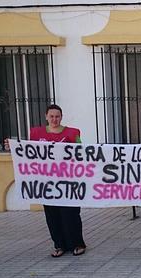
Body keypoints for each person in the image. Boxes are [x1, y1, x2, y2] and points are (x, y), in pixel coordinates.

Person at [29, 104, 87, 257]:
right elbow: (27, 152)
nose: (54, 119)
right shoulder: (36, 133)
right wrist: (12, 146)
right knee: (52, 215)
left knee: (71, 214)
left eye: (57, 116)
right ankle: (59, 245)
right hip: (47, 183)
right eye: (52, 116)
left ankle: (77, 244)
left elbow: (81, 152)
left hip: (69, 182)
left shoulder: (72, 133)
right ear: (46, 117)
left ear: (61, 117)